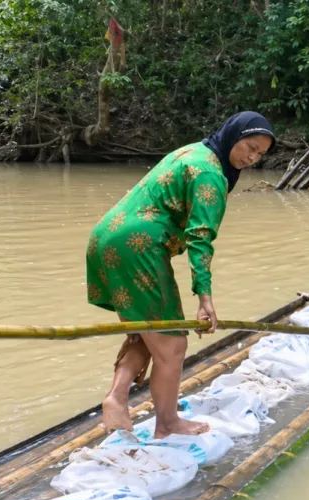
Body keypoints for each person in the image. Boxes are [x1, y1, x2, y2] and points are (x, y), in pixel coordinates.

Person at [86, 111, 275, 439]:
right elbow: (201, 236)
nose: (252, 157)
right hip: (138, 246)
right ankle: (168, 423)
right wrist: (205, 297)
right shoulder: (211, 175)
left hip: (108, 237)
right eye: (250, 146)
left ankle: (117, 398)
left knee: (149, 331)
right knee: (173, 344)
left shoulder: (194, 152)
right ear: (233, 135)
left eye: (260, 154)